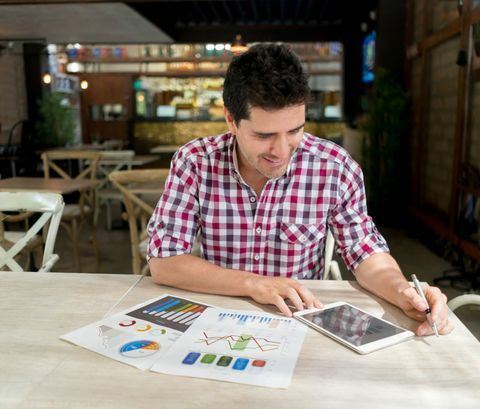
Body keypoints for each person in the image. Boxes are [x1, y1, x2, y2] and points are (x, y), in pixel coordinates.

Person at [147, 43, 453, 336]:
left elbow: (365, 252)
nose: (281, 150)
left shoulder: (334, 167)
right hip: (217, 320)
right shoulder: (195, 163)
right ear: (231, 119)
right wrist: (254, 284)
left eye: (295, 130)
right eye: (264, 134)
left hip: (299, 322)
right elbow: (164, 262)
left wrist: (403, 292)